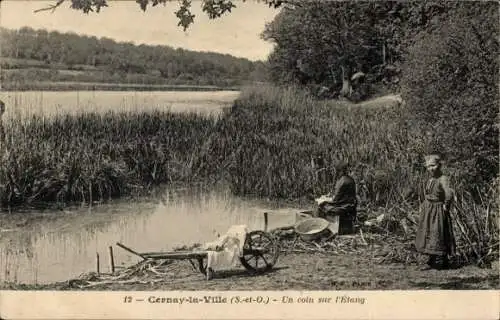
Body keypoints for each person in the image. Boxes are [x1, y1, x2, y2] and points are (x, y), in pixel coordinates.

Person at [415, 154, 456, 270]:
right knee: (428, 233)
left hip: (437, 210)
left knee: (437, 233)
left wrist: (445, 205)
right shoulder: (431, 179)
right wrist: (423, 205)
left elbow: (449, 193)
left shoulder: (443, 179)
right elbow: (428, 194)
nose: (430, 169)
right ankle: (431, 260)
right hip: (428, 209)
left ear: (439, 165)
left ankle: (441, 261)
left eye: (433, 165)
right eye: (428, 166)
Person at [314, 161, 357, 234]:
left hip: (345, 207)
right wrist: (328, 197)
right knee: (323, 202)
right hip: (350, 205)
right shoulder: (350, 179)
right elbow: (341, 196)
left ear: (340, 171)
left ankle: (320, 228)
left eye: (336, 171)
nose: (335, 173)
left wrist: (323, 200)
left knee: (320, 206)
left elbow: (336, 200)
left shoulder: (342, 181)